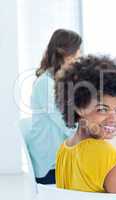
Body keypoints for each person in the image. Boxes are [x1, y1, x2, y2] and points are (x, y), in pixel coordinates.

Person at [55, 55, 116, 193]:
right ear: (79, 106)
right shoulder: (106, 157)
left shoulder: (64, 150)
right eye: (102, 109)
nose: (114, 118)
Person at [27, 29, 82, 184]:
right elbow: (67, 123)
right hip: (51, 167)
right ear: (64, 52)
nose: (79, 56)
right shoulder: (46, 84)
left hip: (63, 157)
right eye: (77, 51)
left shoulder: (62, 80)